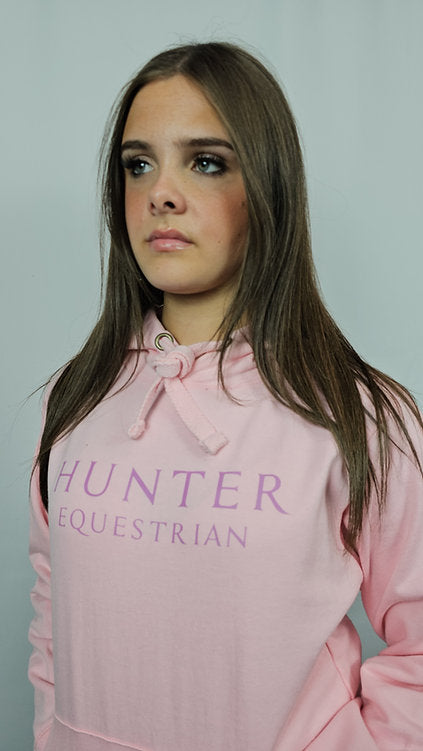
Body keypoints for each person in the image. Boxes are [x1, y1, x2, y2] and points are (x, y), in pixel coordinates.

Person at [28, 42, 423, 751]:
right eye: (138, 165)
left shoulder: (361, 416)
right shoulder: (76, 396)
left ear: (266, 187)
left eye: (205, 162)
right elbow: (50, 611)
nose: (160, 193)